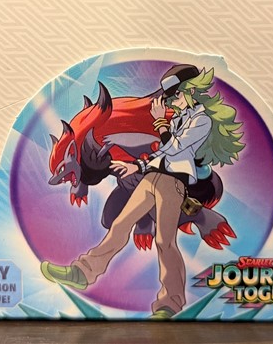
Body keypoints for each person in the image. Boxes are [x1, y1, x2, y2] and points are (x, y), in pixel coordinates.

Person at [41, 64, 245, 319]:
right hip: (152, 178)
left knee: (164, 242)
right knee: (119, 226)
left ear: (191, 92)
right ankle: (82, 273)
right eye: (172, 97)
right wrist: (135, 166)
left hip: (173, 183)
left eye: (177, 96)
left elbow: (174, 148)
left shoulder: (201, 121)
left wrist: (160, 122)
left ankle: (170, 303)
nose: (173, 101)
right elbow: (159, 153)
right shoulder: (180, 119)